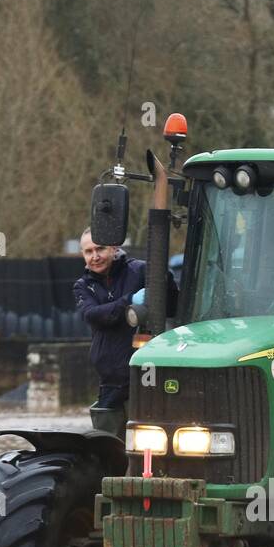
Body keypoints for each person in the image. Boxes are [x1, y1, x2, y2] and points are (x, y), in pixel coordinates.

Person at [73, 159, 178, 412]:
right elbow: (95, 315)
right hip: (111, 382)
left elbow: (172, 305)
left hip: (147, 378)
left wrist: (164, 279)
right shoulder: (83, 286)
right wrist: (130, 301)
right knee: (108, 442)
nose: (94, 256)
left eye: (100, 248)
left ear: (114, 247)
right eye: (88, 252)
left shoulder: (140, 270)